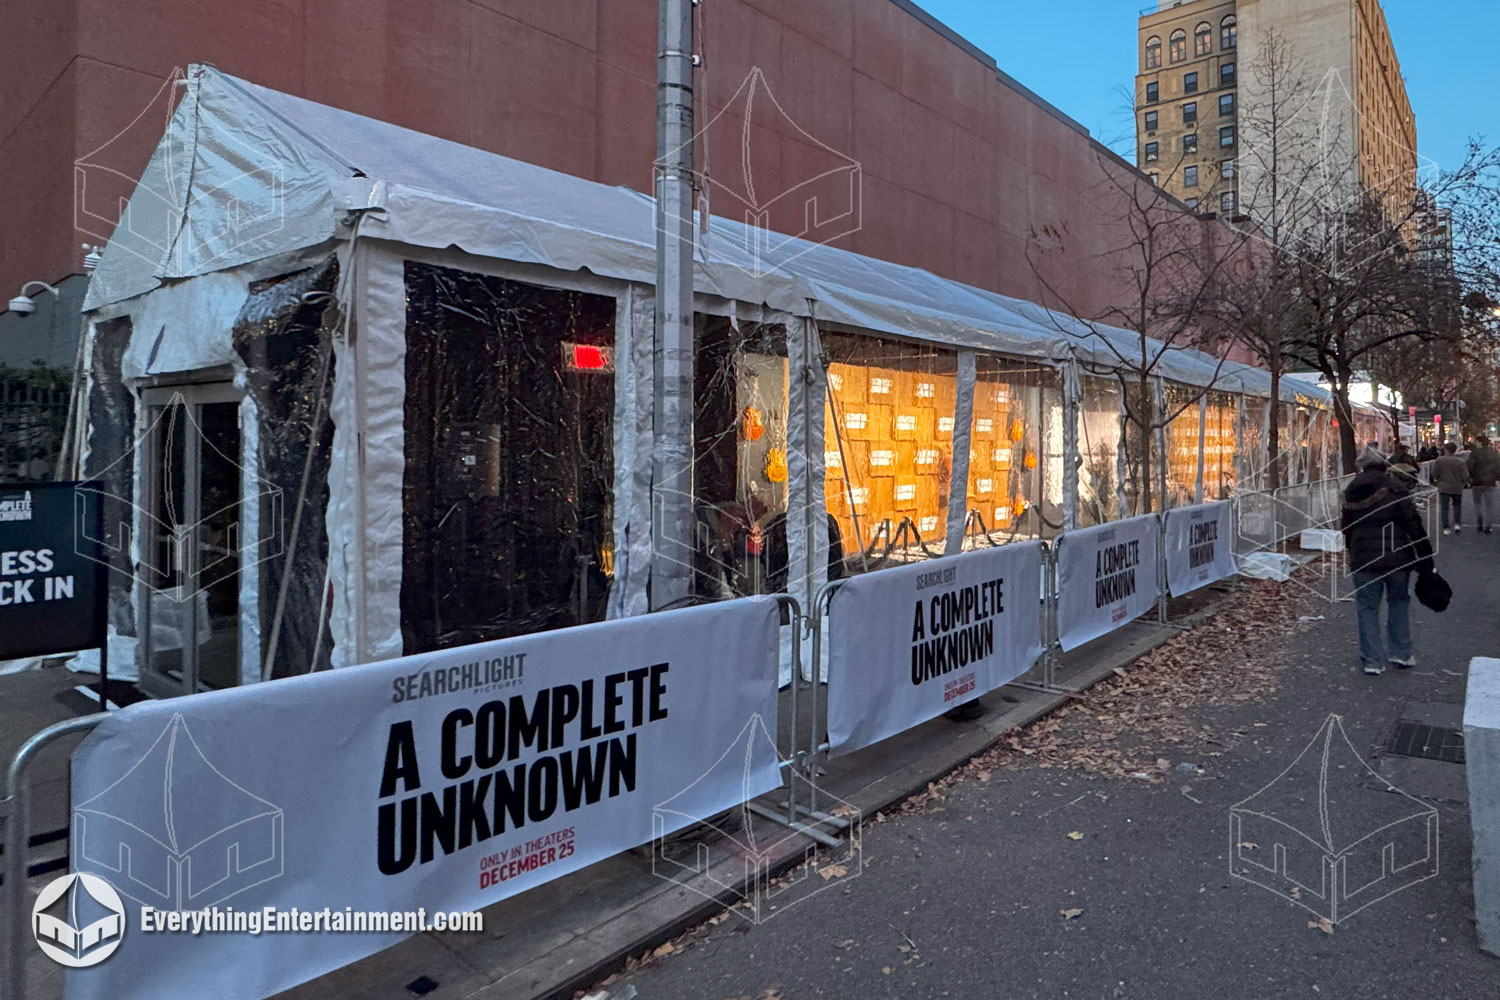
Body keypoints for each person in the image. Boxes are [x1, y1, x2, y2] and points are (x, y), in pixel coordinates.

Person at [1341, 446, 1434, 675]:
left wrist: (1352, 551)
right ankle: (1401, 653)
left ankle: (1373, 660)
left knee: (1367, 607)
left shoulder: (1352, 490)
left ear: (1362, 464)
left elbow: (1346, 527)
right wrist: (1425, 556)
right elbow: (1413, 524)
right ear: (1385, 464)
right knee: (1399, 602)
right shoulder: (1396, 488)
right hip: (1398, 556)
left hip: (1363, 557)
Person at [1432, 441, 1471, 534]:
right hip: (1456, 486)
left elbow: (1434, 474)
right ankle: (1457, 524)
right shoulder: (1460, 461)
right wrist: (1464, 482)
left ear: (1446, 450)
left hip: (1444, 486)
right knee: (1457, 505)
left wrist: (1437, 479)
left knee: (1444, 507)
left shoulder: (1439, 460)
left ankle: (1446, 528)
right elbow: (1465, 475)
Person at [1468, 435, 1500, 534]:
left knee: (1477, 502)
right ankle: (1488, 526)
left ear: (1480, 442)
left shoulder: (1474, 453)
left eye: (1477, 442)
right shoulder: (1494, 453)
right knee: (1489, 505)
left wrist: (1470, 477)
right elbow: (1498, 467)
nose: (1476, 443)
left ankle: (1479, 521)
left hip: (1477, 481)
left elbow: (1469, 466)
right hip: (1490, 481)